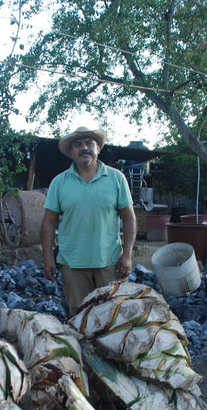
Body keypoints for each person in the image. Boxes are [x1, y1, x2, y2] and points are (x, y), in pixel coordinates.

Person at [41, 126, 137, 315]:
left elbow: (129, 218)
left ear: (98, 148)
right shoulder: (59, 182)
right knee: (80, 317)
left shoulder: (116, 178)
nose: (84, 148)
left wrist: (127, 255)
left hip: (110, 263)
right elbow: (48, 223)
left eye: (89, 143)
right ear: (71, 152)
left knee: (115, 316)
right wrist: (47, 258)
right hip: (73, 265)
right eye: (78, 145)